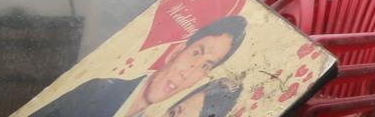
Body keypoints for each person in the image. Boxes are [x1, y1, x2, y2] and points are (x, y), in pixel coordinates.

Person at [29, 16, 247, 117]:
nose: (188, 72)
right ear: (176, 51)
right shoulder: (99, 90)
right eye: (196, 53)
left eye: (206, 66)